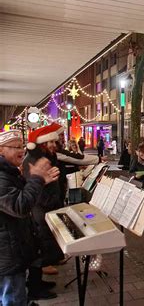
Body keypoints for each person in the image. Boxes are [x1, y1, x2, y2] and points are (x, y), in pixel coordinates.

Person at [0, 130, 59, 305]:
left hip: (12, 246)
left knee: (16, 293)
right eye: (15, 147)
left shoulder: (8, 172)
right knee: (12, 297)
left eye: (22, 146)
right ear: (1, 150)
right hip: (7, 252)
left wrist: (40, 181)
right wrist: (37, 179)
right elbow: (20, 206)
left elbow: (18, 195)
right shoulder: (2, 176)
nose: (21, 150)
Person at [23, 124, 67, 300]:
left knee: (43, 247)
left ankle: (38, 282)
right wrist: (44, 181)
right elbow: (31, 183)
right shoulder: (34, 160)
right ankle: (34, 289)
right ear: (42, 144)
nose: (53, 146)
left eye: (54, 143)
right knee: (39, 248)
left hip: (47, 206)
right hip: (40, 209)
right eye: (50, 143)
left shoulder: (46, 156)